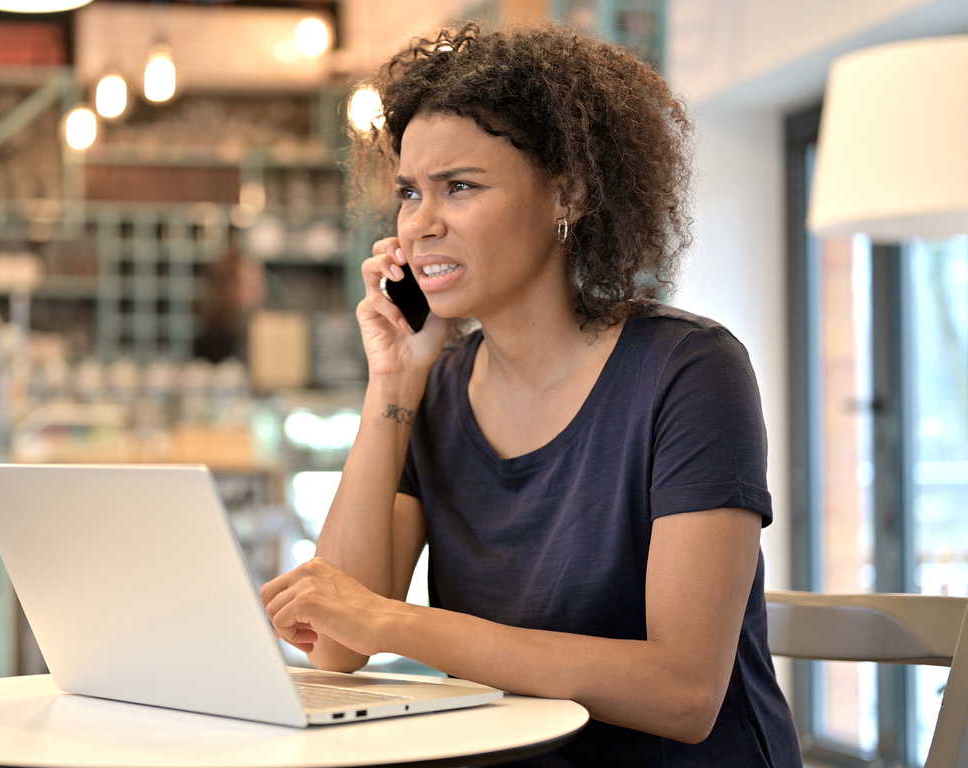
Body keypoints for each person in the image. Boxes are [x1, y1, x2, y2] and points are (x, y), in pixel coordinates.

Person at [259, 23, 802, 767]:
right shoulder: (437, 389)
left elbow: (681, 693)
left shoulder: (687, 371)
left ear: (568, 193)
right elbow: (338, 646)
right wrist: (393, 379)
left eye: (460, 186)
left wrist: (395, 623)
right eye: (410, 193)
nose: (420, 224)